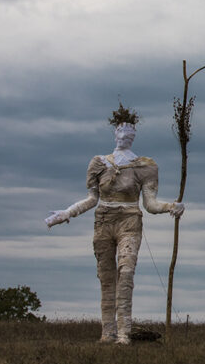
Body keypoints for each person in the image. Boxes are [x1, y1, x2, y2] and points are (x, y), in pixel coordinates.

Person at [45, 105, 184, 344]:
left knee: (126, 272)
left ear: (134, 135)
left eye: (130, 132)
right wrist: (67, 212)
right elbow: (91, 198)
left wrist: (171, 206)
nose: (125, 135)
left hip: (130, 220)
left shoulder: (144, 166)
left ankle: (123, 333)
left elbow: (149, 204)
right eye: (122, 131)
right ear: (115, 132)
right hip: (103, 222)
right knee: (106, 277)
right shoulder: (99, 164)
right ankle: (107, 333)